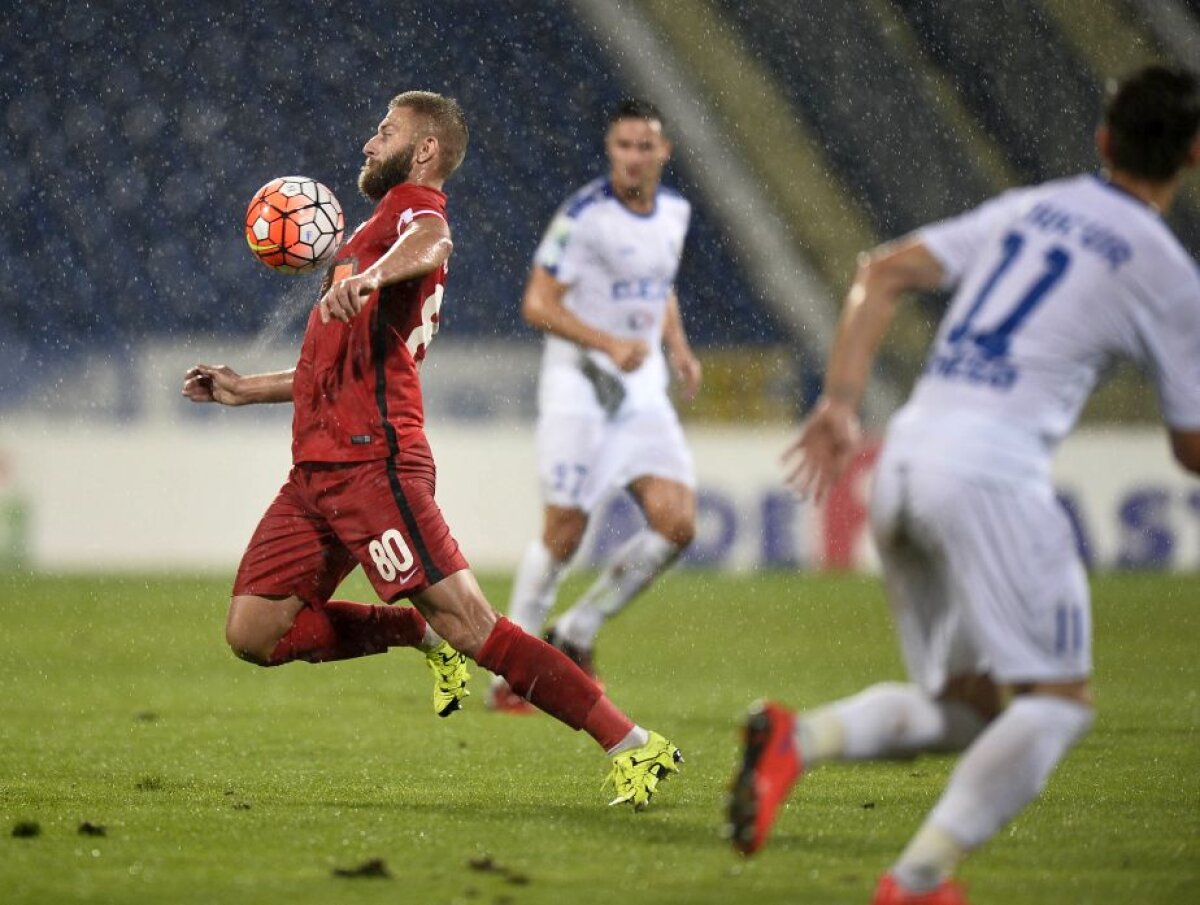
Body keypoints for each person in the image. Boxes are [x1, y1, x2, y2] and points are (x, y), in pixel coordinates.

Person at [726, 65, 1200, 904]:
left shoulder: (1030, 209)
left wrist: (840, 403)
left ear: (1102, 139)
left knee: (972, 707)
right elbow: (1191, 445)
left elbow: (881, 271)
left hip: (904, 457)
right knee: (1058, 702)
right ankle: (915, 879)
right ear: (1192, 156)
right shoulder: (1165, 271)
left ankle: (799, 736)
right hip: (991, 475)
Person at [183, 90, 681, 810]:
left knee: (474, 624)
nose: (367, 143)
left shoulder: (413, 213)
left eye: (384, 131)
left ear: (422, 150)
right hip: (316, 475)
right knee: (253, 630)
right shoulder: (366, 235)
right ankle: (412, 628)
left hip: (372, 465)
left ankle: (630, 742)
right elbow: (325, 372)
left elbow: (434, 244)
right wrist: (240, 389)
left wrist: (374, 274)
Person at [490, 98, 702, 712]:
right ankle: (514, 670)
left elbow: (657, 286)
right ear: (611, 151)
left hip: (639, 388)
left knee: (678, 523)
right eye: (623, 146)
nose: (634, 157)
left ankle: (576, 632)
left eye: (645, 146)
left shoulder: (677, 213)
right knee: (564, 530)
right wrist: (608, 341)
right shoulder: (582, 216)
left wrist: (678, 347)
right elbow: (537, 303)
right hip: (577, 385)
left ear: (664, 151)